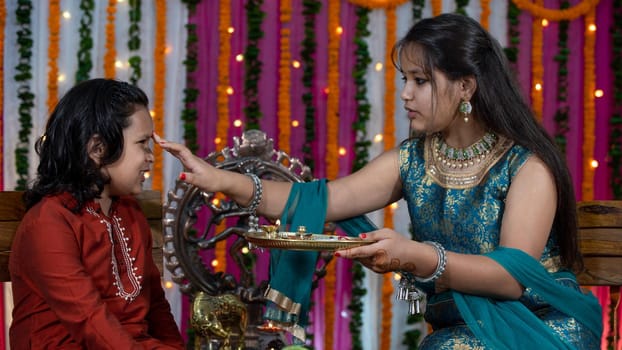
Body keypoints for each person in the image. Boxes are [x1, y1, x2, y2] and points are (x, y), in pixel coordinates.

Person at [156, 13, 602, 349]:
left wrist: (414, 255)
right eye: (404, 79)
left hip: (539, 324)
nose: (405, 94)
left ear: (466, 87)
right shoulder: (412, 159)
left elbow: (510, 278)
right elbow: (321, 200)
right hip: (461, 329)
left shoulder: (528, 167)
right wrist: (219, 179)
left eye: (420, 81)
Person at [9, 78, 184, 349]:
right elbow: (89, 320)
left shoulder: (130, 213)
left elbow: (157, 307)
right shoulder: (49, 222)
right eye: (142, 143)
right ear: (98, 149)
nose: (150, 157)